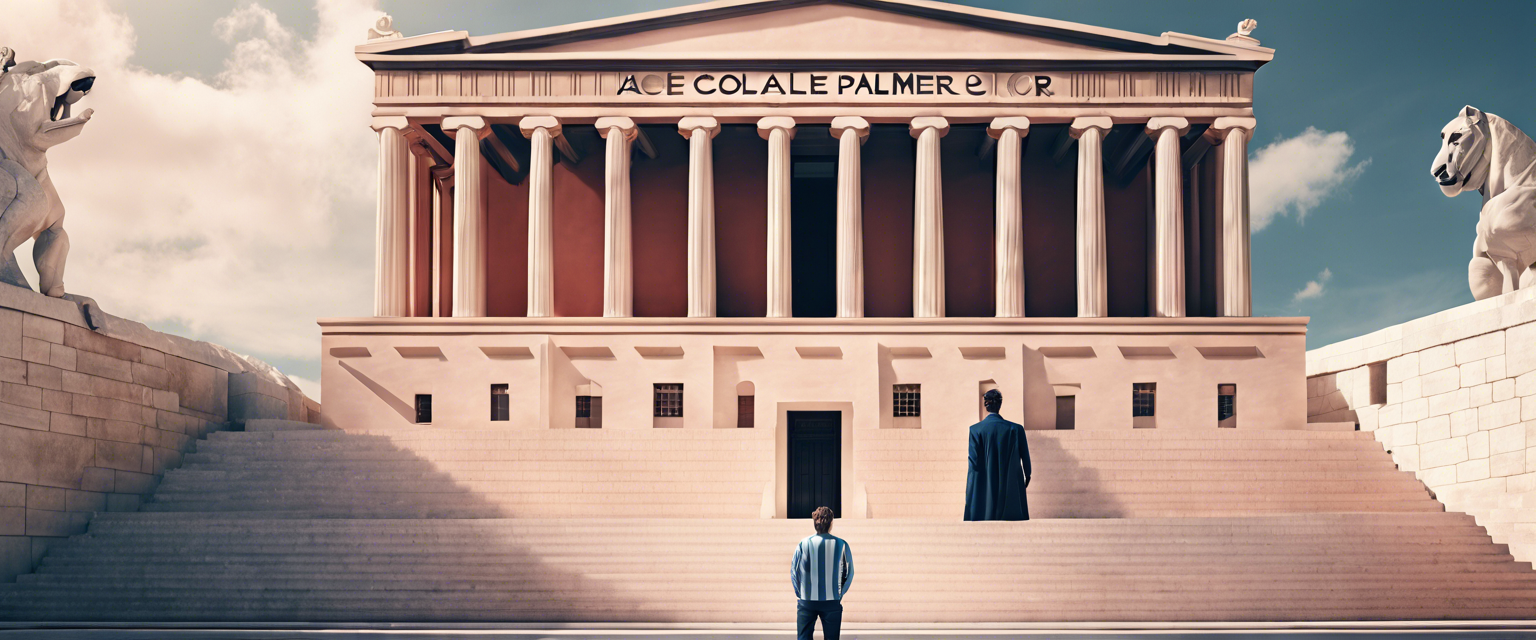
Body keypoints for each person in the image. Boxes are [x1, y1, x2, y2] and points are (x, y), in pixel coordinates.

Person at [964, 389, 1032, 521]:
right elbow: (1025, 456)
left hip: (986, 485)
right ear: (1000, 405)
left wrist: (972, 490)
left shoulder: (975, 430)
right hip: (1010, 486)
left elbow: (973, 464)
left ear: (985, 405)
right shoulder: (1016, 429)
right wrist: (1028, 474)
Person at [791, 506, 854, 640]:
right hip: (832, 601)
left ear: (814, 524)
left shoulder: (803, 544)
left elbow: (794, 571)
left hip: (807, 600)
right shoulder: (842, 544)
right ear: (831, 523)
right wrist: (839, 593)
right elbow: (849, 573)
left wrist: (799, 593)